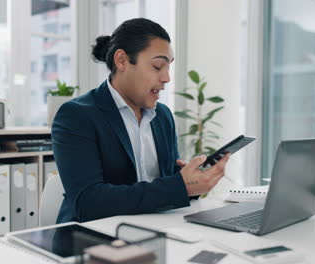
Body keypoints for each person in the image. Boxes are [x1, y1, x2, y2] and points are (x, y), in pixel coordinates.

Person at [52, 18, 230, 223]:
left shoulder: (163, 116)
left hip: (153, 229)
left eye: (168, 67)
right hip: (92, 238)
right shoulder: (76, 116)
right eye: (157, 66)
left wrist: (191, 181)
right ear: (122, 61)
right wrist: (179, 185)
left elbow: (168, 185)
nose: (166, 78)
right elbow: (88, 202)